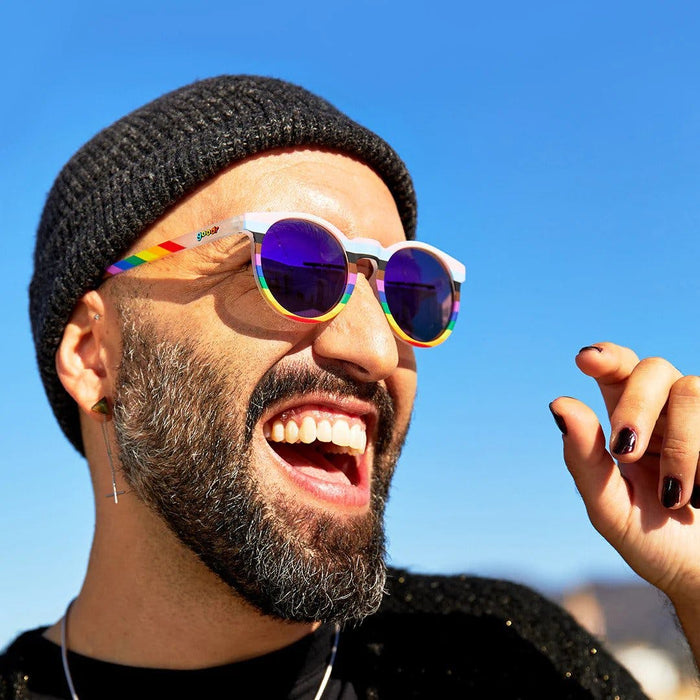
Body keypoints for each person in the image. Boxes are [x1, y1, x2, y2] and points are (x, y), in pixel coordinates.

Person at [1, 75, 698, 699]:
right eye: (293, 266)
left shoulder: (507, 661)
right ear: (94, 356)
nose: (374, 348)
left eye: (409, 291)